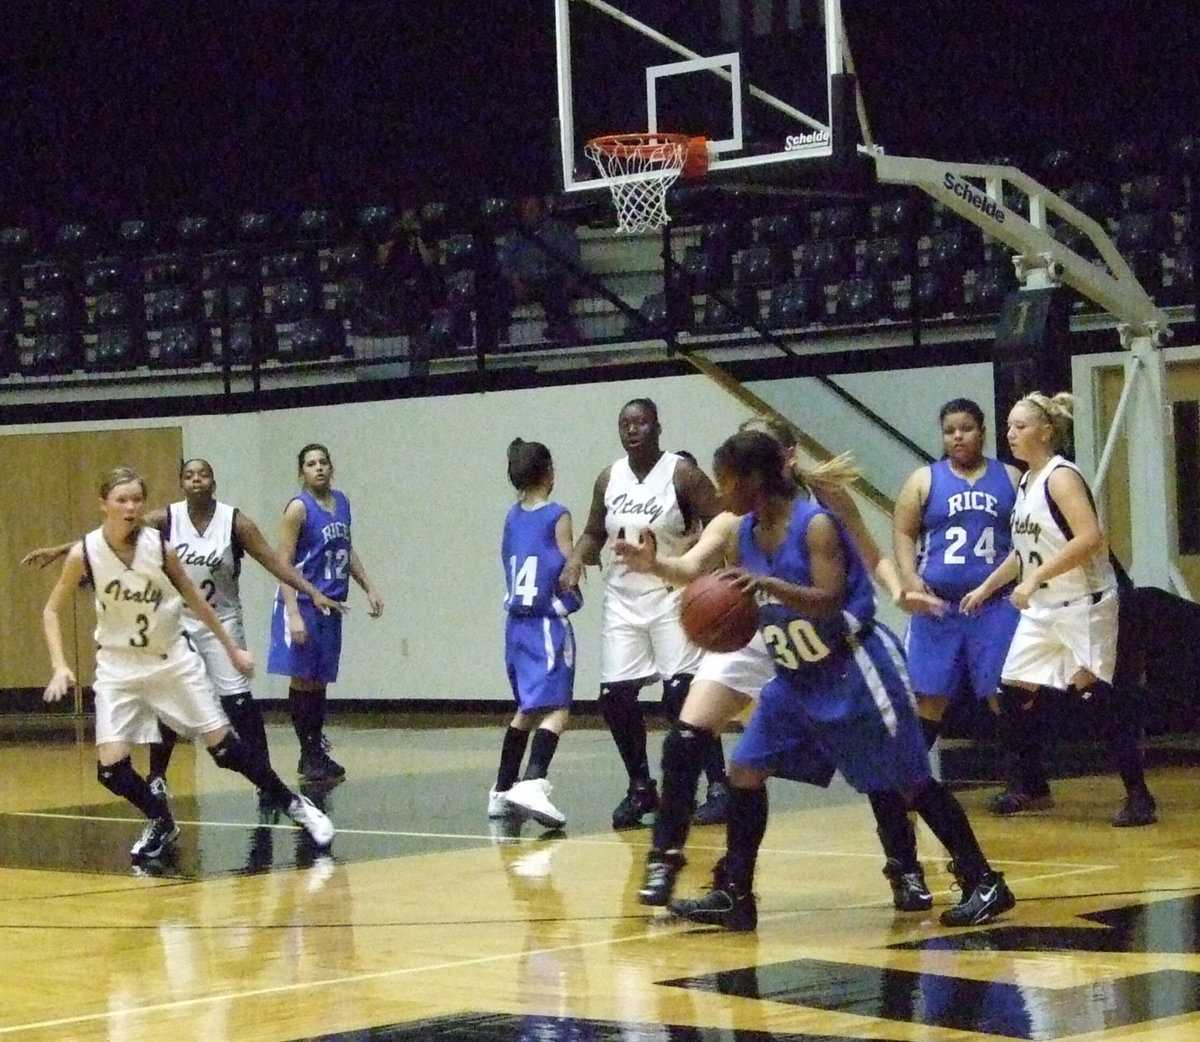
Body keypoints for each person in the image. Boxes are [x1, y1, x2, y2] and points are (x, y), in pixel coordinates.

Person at [621, 431, 1015, 930]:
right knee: (745, 770)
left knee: (908, 781)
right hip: (794, 678)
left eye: (728, 482)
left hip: (855, 669)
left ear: (755, 481)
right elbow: (717, 587)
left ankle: (983, 880)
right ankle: (734, 893)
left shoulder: (816, 525)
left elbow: (828, 598)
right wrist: (655, 566)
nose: (721, 494)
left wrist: (769, 586)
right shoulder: (740, 532)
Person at [22, 457, 346, 816]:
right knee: (160, 712)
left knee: (238, 704)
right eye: (189, 475)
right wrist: (60, 551)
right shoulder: (165, 519)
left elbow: (273, 560)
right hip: (174, 623)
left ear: (213, 481)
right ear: (181, 483)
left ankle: (267, 781)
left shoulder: (233, 522)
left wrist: (309, 590)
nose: (197, 480)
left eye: (203, 474)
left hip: (218, 616)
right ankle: (158, 778)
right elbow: (108, 533)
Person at [961, 391, 1157, 827]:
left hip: (1084, 604)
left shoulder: (1060, 476)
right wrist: (989, 585)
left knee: (1104, 700)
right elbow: (1025, 549)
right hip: (1045, 608)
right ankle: (1031, 786)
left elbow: (1090, 538)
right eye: (1009, 427)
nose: (1010, 434)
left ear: (1047, 431)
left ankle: (1139, 795)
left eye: (1021, 426)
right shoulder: (1027, 481)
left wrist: (1034, 579)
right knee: (1011, 692)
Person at [560, 398, 723, 830]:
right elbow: (595, 531)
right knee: (614, 699)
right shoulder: (608, 478)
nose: (632, 430)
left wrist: (703, 559)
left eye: (640, 422)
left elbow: (723, 519)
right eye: (625, 423)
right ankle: (640, 786)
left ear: (657, 427)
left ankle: (718, 785)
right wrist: (576, 558)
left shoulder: (680, 473)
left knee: (680, 696)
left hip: (671, 592)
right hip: (623, 598)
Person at [892, 399, 1022, 761]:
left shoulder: (1010, 478)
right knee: (928, 696)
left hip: (994, 604)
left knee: (1002, 692)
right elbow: (903, 532)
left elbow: (1025, 539)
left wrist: (996, 586)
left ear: (981, 431)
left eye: (965, 428)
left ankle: (1025, 783)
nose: (957, 436)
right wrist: (909, 576)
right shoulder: (924, 479)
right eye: (949, 431)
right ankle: (910, 781)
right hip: (938, 605)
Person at [268, 443, 384, 784]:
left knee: (319, 681)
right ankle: (307, 752)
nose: (318, 468)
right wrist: (293, 613)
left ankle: (316, 749)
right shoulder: (297, 509)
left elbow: (345, 549)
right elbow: (282, 564)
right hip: (303, 602)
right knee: (303, 679)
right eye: (310, 464)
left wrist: (369, 586)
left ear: (331, 467)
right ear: (301, 472)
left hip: (331, 603)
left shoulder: (342, 503)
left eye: (322, 462)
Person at [488, 438, 584, 830]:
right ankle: (532, 781)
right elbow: (566, 561)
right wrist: (577, 569)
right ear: (550, 474)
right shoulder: (558, 515)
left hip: (516, 625)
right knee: (558, 707)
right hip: (546, 622)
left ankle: (501, 790)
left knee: (527, 708)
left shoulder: (512, 516)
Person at [497, 195, 582, 344]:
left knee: (554, 289)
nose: (528, 212)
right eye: (525, 208)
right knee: (497, 291)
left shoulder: (561, 231)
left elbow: (572, 263)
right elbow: (507, 265)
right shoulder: (516, 235)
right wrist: (515, 281)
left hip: (552, 281)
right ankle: (499, 334)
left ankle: (561, 330)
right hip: (524, 284)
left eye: (532, 209)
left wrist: (568, 283)